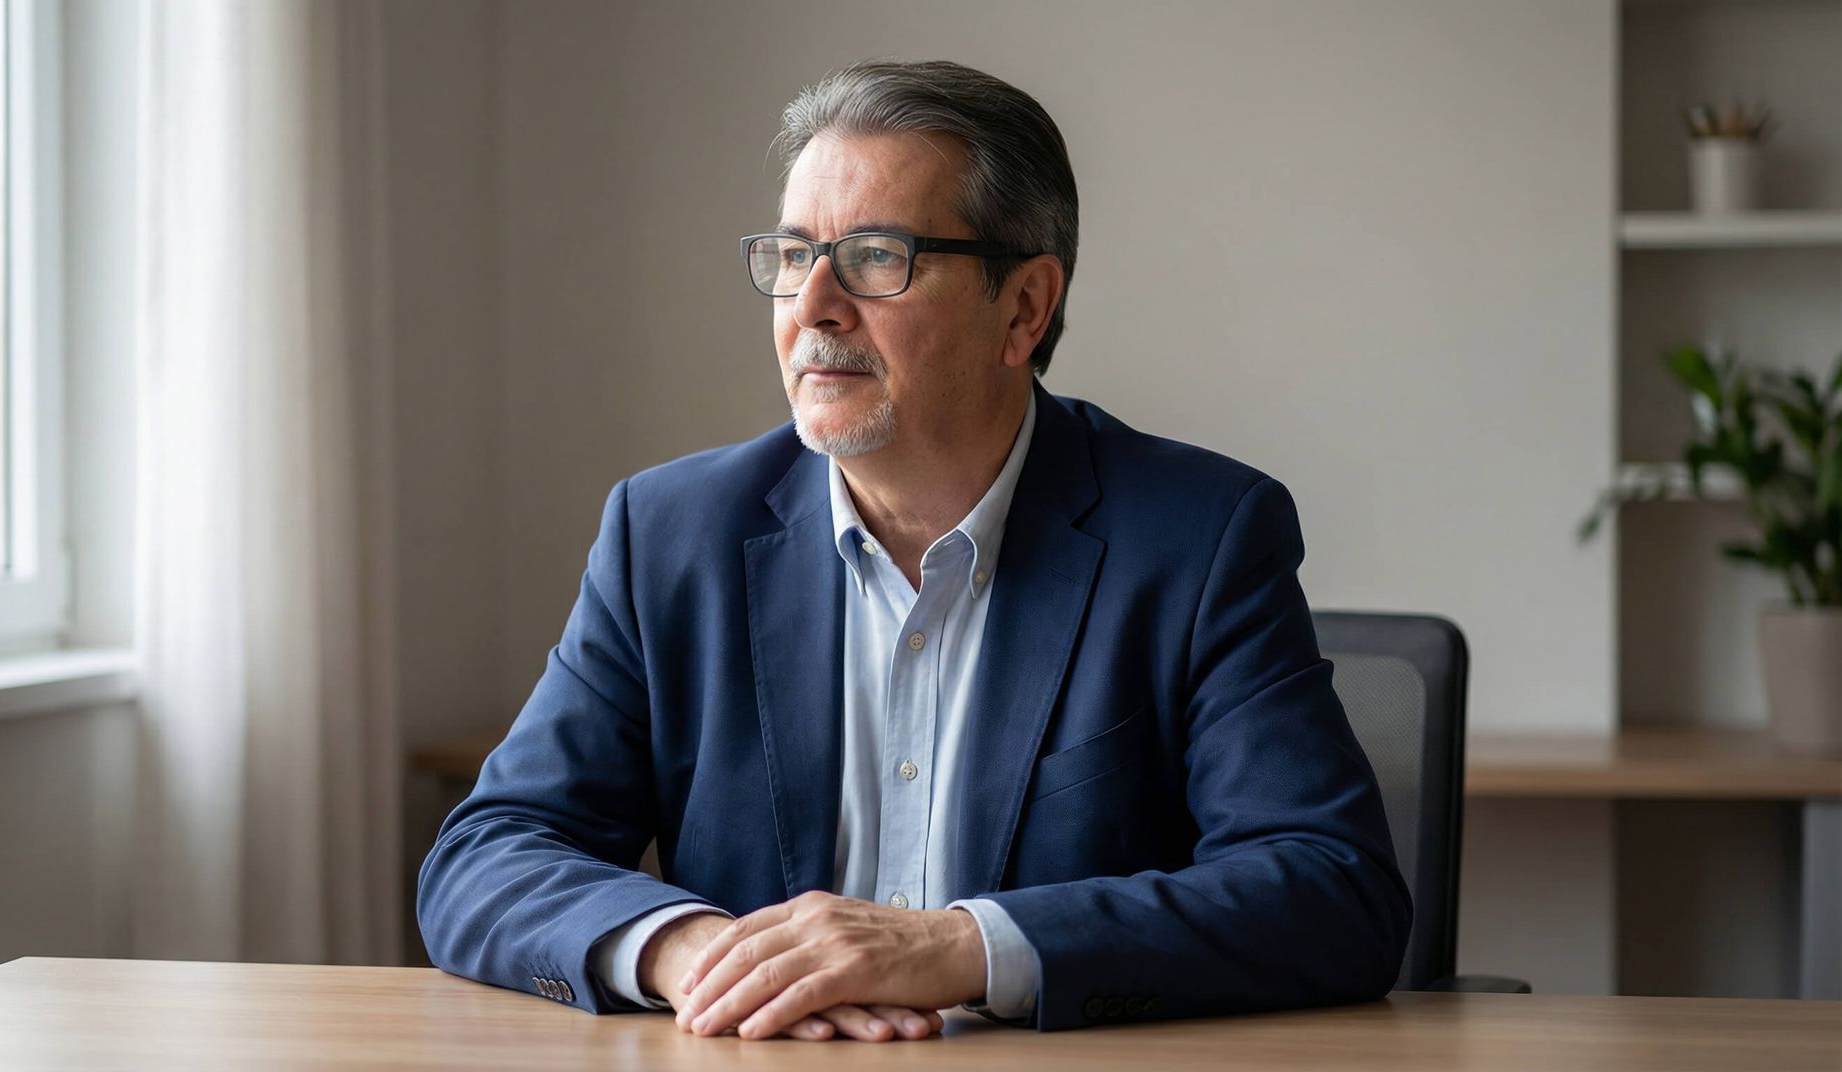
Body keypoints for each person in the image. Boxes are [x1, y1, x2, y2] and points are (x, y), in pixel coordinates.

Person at [418, 58, 1410, 1039]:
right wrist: (695, 952)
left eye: (877, 258)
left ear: (1023, 307)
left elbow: (1333, 888)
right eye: (794, 255)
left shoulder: (1197, 539)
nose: (813, 306)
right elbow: (488, 853)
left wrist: (960, 946)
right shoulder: (673, 534)